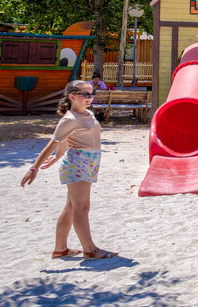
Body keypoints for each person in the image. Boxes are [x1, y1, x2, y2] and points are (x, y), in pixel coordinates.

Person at [20, 79, 117, 260]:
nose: (90, 98)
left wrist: (57, 156)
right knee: (82, 207)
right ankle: (90, 250)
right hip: (77, 164)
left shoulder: (88, 113)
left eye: (92, 94)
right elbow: (52, 143)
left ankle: (60, 249)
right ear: (72, 97)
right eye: (85, 95)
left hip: (88, 162)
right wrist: (35, 168)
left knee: (71, 207)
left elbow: (66, 140)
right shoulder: (69, 119)